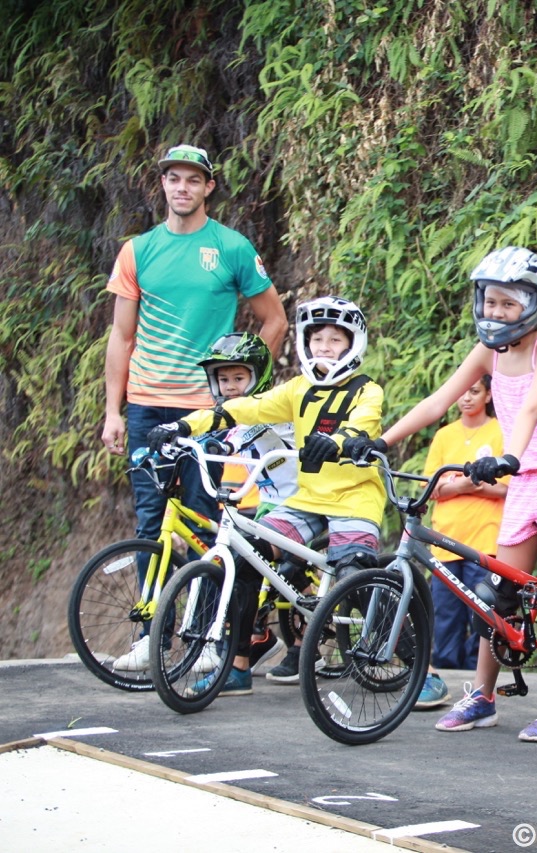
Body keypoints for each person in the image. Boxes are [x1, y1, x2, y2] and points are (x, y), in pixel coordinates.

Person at [345, 246, 537, 742]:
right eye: (490, 302)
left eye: (509, 303)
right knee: (497, 594)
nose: (496, 312)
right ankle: (482, 697)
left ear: (533, 304)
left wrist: (508, 456)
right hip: (525, 478)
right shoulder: (488, 352)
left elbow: (528, 409)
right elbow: (438, 400)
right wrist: (381, 441)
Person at [101, 144, 286, 670]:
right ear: (161, 185)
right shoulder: (138, 251)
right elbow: (120, 336)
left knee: (207, 521)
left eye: (192, 180)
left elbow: (273, 320)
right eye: (173, 179)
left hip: (205, 411)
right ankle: (150, 637)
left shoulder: (230, 248)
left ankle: (205, 638)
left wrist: (246, 392)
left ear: (208, 187)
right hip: (145, 408)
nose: (182, 188)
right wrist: (113, 412)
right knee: (149, 522)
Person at [147, 297, 385, 697]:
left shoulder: (367, 390)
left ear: (354, 344)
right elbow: (244, 409)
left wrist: (337, 441)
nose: (324, 347)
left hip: (354, 499)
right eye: (317, 339)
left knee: (354, 577)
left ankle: (418, 665)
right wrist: (182, 426)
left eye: (335, 339)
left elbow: (362, 427)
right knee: (246, 557)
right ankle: (238, 667)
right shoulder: (297, 389)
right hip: (305, 500)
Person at [198, 332, 298, 677]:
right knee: (246, 568)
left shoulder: (269, 409)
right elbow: (208, 434)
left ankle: (301, 645)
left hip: (298, 503)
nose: (229, 386)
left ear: (257, 377)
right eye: (222, 379)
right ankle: (244, 655)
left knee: (292, 568)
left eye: (238, 378)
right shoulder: (228, 417)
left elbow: (250, 437)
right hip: (268, 504)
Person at [414, 375, 509, 711]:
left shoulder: (500, 431)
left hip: (485, 538)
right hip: (445, 539)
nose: (466, 398)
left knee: (482, 613)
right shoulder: (444, 435)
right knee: (445, 616)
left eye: (474, 391)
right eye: (463, 393)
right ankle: (446, 686)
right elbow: (433, 486)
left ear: (487, 394)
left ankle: (478, 688)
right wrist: (470, 483)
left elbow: (508, 487)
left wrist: (460, 484)